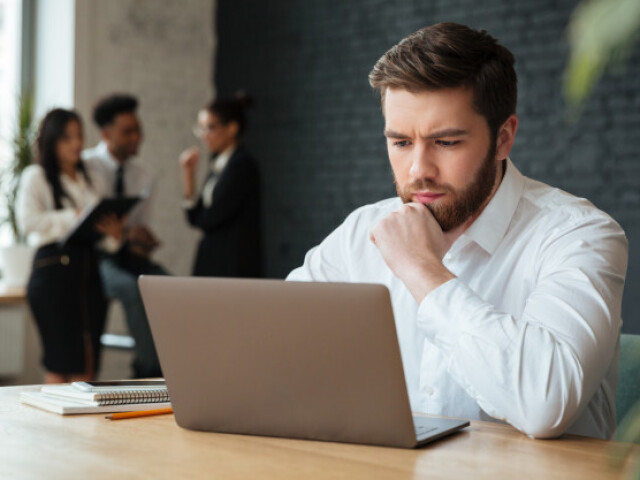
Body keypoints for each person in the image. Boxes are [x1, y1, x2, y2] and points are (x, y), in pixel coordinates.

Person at [287, 23, 628, 440]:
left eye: (446, 143)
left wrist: (422, 271)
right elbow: (278, 346)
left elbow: (545, 403)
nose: (418, 171)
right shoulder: (363, 230)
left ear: (503, 139)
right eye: (400, 143)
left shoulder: (579, 236)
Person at [16, 108, 124, 383]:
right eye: (67, 138)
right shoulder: (36, 176)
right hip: (53, 273)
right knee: (61, 362)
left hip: (88, 271)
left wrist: (113, 234)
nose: (76, 144)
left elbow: (102, 238)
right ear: (51, 141)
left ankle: (84, 427)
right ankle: (54, 427)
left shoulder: (92, 179)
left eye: (79, 136)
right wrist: (73, 217)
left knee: (88, 364)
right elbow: (28, 222)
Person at [83, 94, 167, 378]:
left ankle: (173, 365)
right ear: (106, 134)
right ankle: (149, 370)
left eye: (138, 129)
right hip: (96, 257)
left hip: (128, 253)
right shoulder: (86, 166)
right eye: (127, 131)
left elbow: (138, 225)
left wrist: (142, 238)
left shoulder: (145, 173)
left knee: (169, 285)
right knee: (132, 288)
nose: (136, 138)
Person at [178, 94, 262, 277]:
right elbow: (195, 218)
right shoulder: (220, 165)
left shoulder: (241, 166)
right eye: (200, 129)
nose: (204, 136)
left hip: (232, 266)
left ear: (232, 128)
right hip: (215, 261)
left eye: (210, 128)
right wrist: (188, 175)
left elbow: (208, 219)